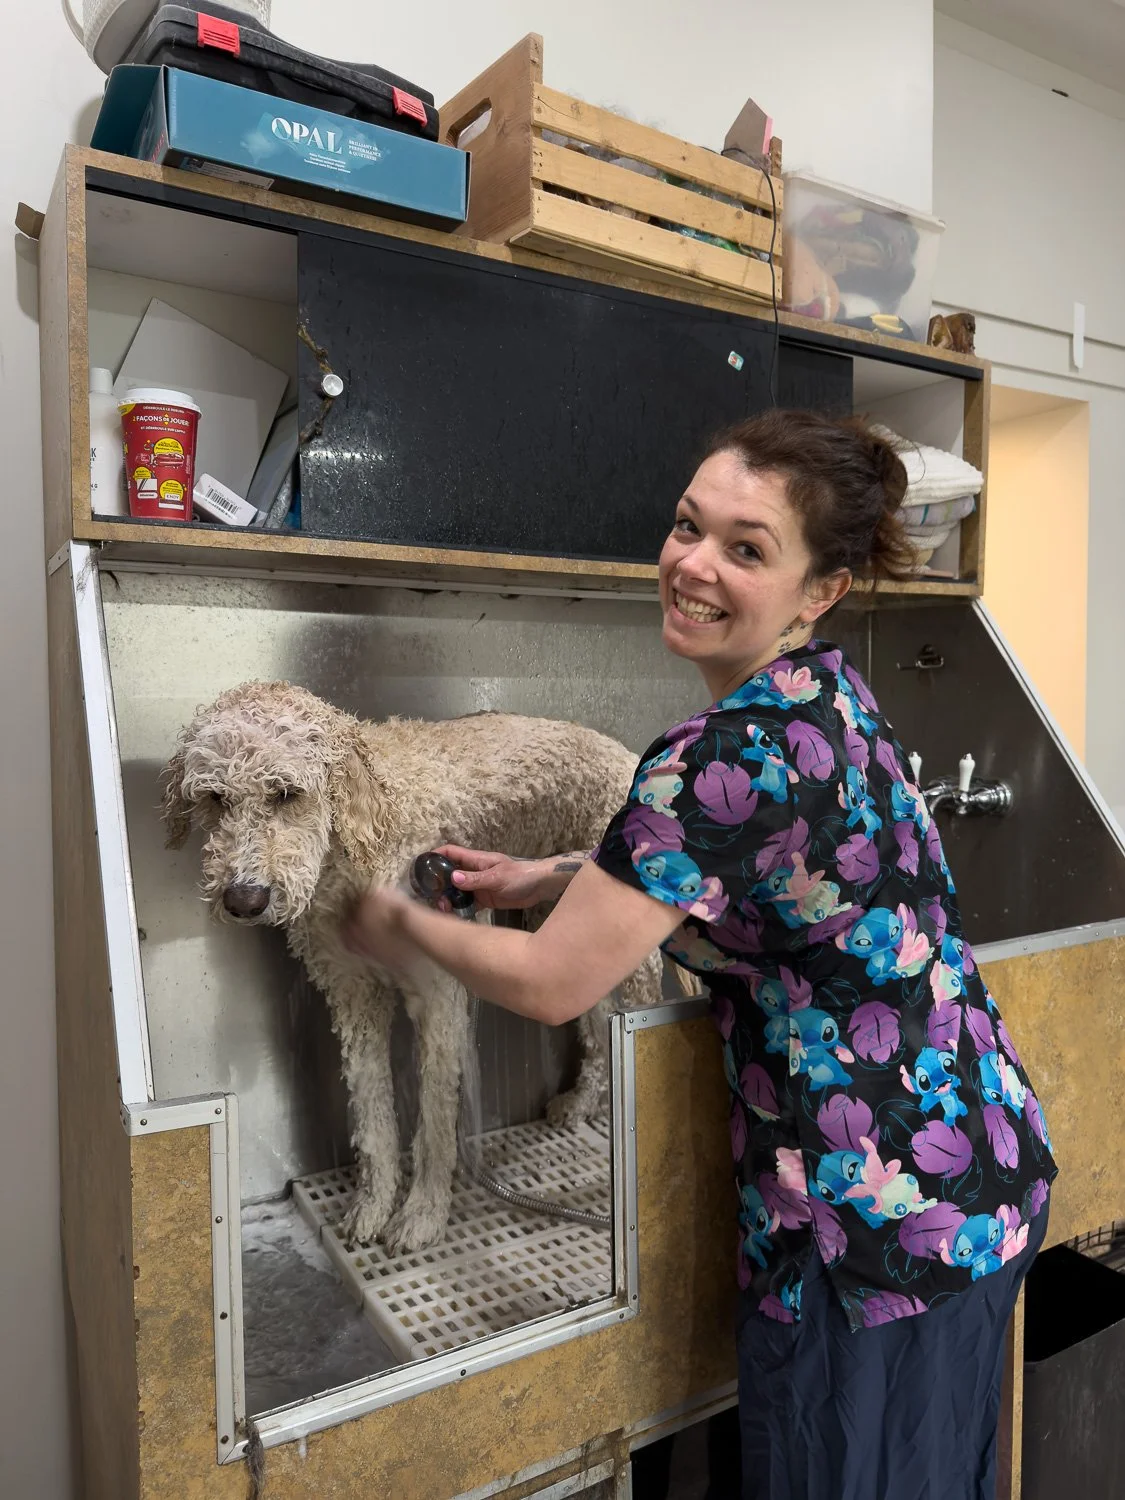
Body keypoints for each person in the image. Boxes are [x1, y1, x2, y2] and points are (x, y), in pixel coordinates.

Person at [343, 410, 1057, 1500]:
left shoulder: (713, 753)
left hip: (866, 1229)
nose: (694, 565)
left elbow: (553, 984)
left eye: (747, 547)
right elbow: (765, 867)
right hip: (977, 1167)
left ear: (822, 590)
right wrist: (549, 880)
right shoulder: (823, 697)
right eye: (688, 527)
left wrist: (393, 922)